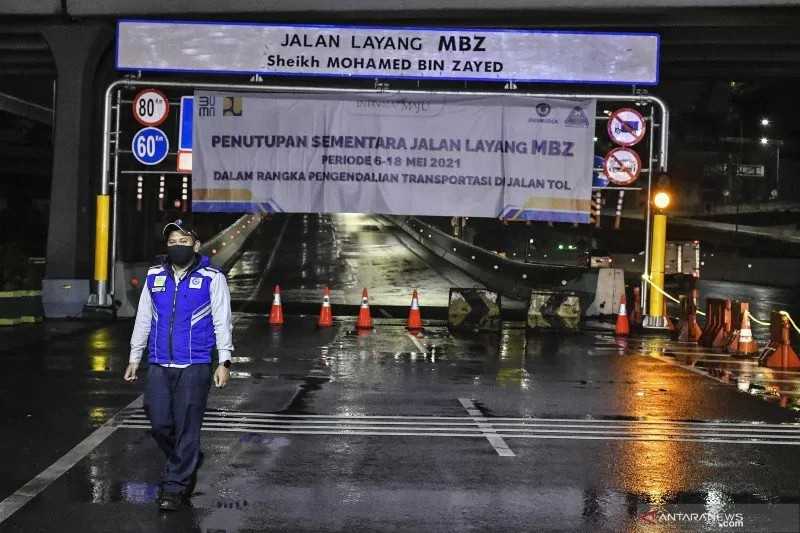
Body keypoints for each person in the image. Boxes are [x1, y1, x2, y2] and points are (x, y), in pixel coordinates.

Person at [124, 219, 234, 511]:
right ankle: (187, 459)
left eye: (183, 242)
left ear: (196, 246)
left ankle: (174, 487)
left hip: (195, 363)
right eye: (172, 242)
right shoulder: (154, 276)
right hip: (159, 362)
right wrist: (135, 356)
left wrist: (224, 361)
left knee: (186, 427)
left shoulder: (212, 277)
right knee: (159, 423)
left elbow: (223, 320)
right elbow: (144, 318)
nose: (177, 247)